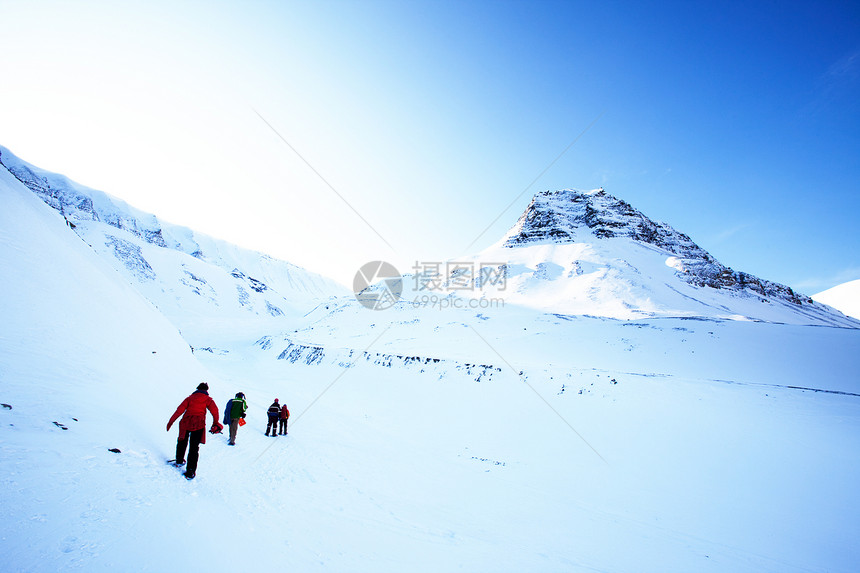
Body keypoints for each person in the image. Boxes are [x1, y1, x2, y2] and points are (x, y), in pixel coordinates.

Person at [166, 382, 220, 480]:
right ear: (206, 390)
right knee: (194, 448)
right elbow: (215, 411)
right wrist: (215, 422)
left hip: (186, 423)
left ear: (197, 389)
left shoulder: (189, 398)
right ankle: (190, 472)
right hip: (198, 425)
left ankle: (179, 461)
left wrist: (170, 422)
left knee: (182, 441)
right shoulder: (208, 400)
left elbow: (179, 410)